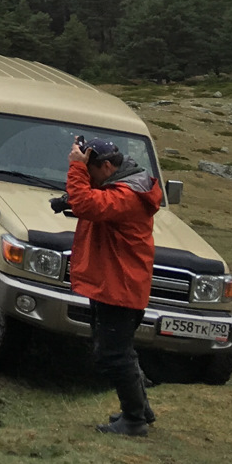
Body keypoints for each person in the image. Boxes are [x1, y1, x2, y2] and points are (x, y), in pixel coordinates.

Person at [62, 137, 163, 437]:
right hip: (119, 284)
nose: (88, 178)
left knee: (113, 354)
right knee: (121, 351)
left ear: (106, 166)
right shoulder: (125, 186)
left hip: (120, 287)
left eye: (90, 172)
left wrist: (76, 170)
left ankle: (133, 421)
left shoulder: (127, 195)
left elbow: (87, 204)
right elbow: (89, 203)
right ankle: (140, 409)